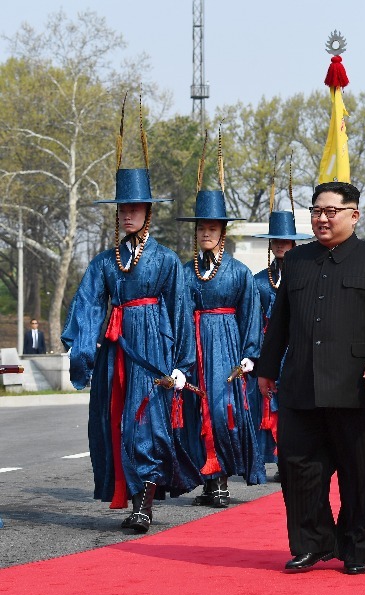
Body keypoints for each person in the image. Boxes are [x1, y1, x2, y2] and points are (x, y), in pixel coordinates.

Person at [61, 116, 199, 533]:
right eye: (122, 208)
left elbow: (180, 310)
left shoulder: (166, 260)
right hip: (115, 351)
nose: (127, 214)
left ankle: (144, 506)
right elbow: (87, 304)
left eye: (135, 208)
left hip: (152, 349)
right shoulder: (105, 262)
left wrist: (181, 364)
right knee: (116, 422)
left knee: (147, 423)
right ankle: (131, 495)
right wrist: (82, 350)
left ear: (148, 212)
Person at [256, 181, 365, 576]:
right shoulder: (297, 260)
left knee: (358, 473)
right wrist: (267, 368)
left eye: (331, 211)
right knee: (297, 467)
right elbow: (280, 320)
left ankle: (355, 548)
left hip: (357, 384)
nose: (322, 218)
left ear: (354, 215)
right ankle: (312, 543)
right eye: (317, 211)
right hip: (301, 382)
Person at [178, 176, 266, 508]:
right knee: (195, 411)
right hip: (193, 347)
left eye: (212, 228)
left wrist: (249, 354)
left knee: (222, 410)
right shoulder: (184, 272)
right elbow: (176, 313)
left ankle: (222, 479)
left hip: (226, 346)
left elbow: (251, 314)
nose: (206, 233)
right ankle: (208, 480)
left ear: (222, 232)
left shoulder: (239, 272)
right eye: (201, 228)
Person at [248, 208, 311, 482]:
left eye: (285, 241)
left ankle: (295, 459)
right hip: (269, 347)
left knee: (296, 404)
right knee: (265, 405)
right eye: (275, 241)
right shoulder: (259, 281)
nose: (280, 245)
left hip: (297, 347)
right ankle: (265, 460)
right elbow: (251, 319)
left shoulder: (305, 275)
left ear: (294, 243)